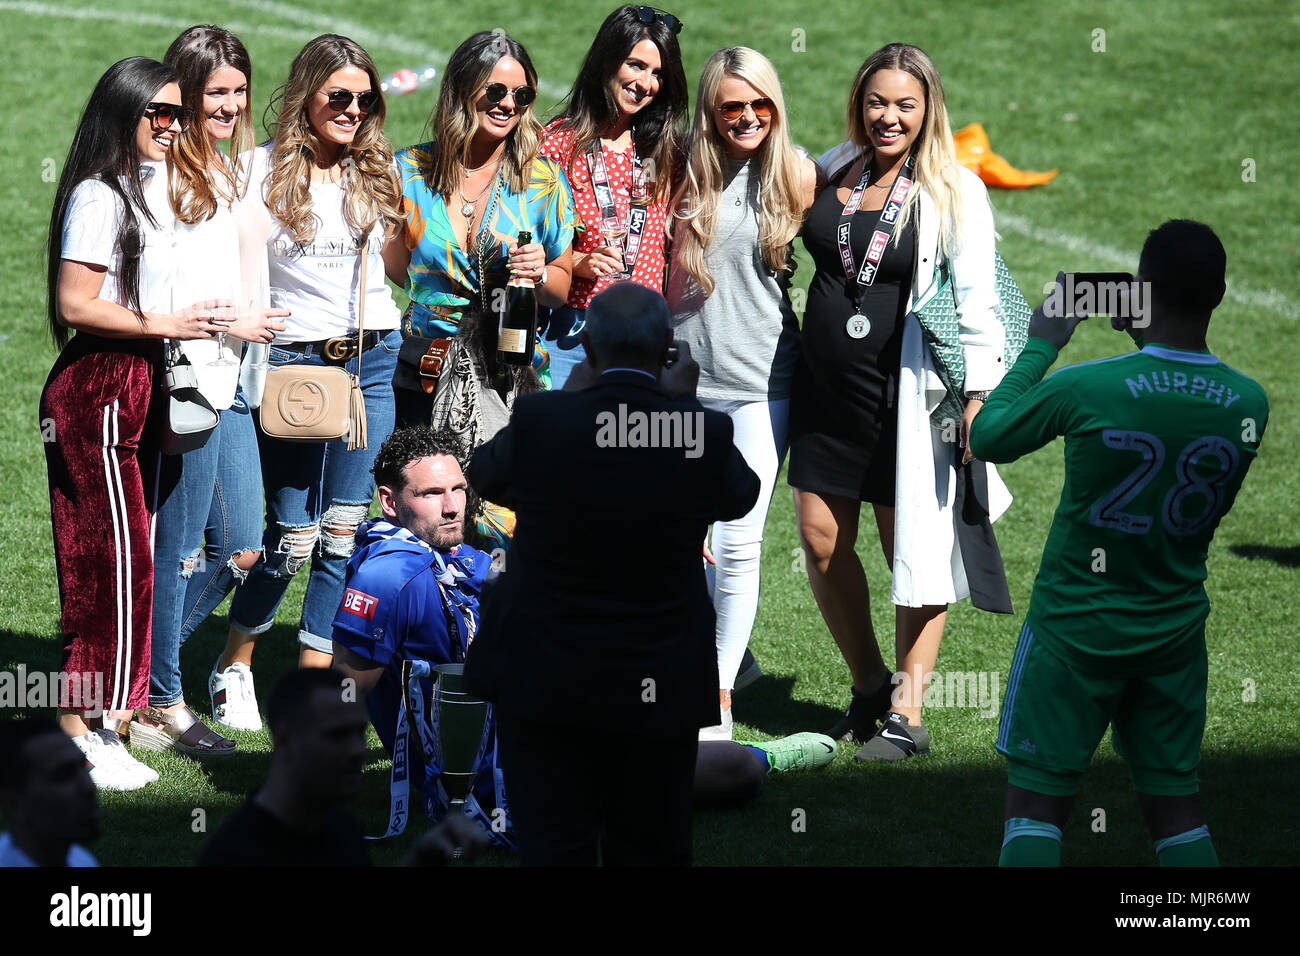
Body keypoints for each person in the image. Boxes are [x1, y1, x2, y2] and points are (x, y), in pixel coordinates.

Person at [969, 223, 1269, 866]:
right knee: (1177, 810)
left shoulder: (1089, 386)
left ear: (1139, 291)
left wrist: (1041, 343)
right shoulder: (1250, 402)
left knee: (1036, 809)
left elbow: (990, 436)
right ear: (1219, 294)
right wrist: (1148, 332)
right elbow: (1173, 394)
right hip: (1172, 635)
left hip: (1073, 632)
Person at [464, 283, 761, 866]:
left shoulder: (544, 419)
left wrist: (572, 393)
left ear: (590, 350)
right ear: (669, 348)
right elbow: (741, 495)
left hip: (548, 674)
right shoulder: (696, 430)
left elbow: (486, 474)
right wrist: (685, 407)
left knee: (554, 846)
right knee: (651, 847)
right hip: (657, 678)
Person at [788, 43, 1009, 761]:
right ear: (859, 102)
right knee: (822, 543)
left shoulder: (953, 189)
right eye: (877, 101)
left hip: (907, 400)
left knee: (907, 547)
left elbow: (978, 298)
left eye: (905, 105)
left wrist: (979, 397)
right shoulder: (834, 165)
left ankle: (908, 717)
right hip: (825, 396)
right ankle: (869, 687)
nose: (889, 116)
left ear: (928, 110)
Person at [41, 56, 232, 790]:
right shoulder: (99, 193)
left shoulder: (140, 188)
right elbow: (75, 303)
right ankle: (96, 726)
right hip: (102, 389)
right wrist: (164, 323)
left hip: (128, 386)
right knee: (118, 566)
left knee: (114, 563)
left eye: (178, 113)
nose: (173, 126)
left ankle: (93, 723)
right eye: (159, 112)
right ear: (124, 113)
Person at [212, 34, 407, 728]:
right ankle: (235, 662)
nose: (353, 110)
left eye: (365, 98)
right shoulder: (256, 170)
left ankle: (311, 687)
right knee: (290, 537)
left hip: (372, 360)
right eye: (339, 97)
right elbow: (225, 259)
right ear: (307, 95)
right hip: (296, 365)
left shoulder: (380, 171)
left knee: (344, 533)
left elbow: (401, 266)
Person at [136, 25, 286, 758]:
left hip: (232, 381)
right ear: (184, 99)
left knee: (242, 548)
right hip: (191, 384)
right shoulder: (165, 177)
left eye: (236, 91)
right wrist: (241, 317)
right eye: (212, 94)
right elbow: (163, 290)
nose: (227, 105)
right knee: (185, 552)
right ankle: (157, 697)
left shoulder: (230, 170)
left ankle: (134, 677)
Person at [666, 46, 818, 739]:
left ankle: (717, 694)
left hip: (762, 388)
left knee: (737, 541)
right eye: (734, 106)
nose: (749, 117)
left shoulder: (796, 172)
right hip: (678, 389)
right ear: (710, 110)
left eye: (762, 104)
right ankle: (725, 655)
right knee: (670, 535)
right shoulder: (674, 170)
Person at [388, 31, 575, 551]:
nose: (509, 105)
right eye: (496, 91)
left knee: (499, 519)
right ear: (463, 88)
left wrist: (540, 272)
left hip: (506, 369)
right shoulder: (407, 172)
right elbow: (399, 270)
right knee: (425, 518)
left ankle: (498, 626)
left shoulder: (541, 182)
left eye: (522, 96)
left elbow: (560, 287)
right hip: (423, 368)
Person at [329, 427, 505, 838]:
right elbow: (345, 695)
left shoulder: (451, 554)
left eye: (458, 489)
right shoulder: (387, 575)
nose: (451, 508)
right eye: (430, 494)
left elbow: (509, 577)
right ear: (389, 502)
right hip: (478, 779)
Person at [538, 4, 688, 387]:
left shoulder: (666, 151)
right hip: (572, 333)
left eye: (658, 74)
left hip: (646, 334)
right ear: (607, 61)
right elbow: (525, 241)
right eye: (636, 65)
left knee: (627, 443)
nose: (647, 83)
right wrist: (576, 261)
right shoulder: (557, 146)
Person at [199, 668, 487, 865]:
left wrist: (422, 860)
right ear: (285, 740)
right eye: (336, 735)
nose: (357, 750)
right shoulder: (237, 855)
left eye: (359, 733)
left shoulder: (342, 830)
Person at [0, 718, 101, 867]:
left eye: (83, 768)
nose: (88, 787)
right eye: (64, 775)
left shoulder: (82, 860)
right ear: (13, 804)